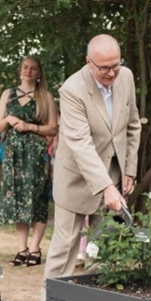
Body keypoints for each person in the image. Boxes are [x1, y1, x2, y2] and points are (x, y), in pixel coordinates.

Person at [43, 34, 141, 282]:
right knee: (64, 249)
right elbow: (81, 144)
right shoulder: (72, 89)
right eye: (105, 68)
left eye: (115, 65)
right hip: (75, 179)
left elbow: (132, 126)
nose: (111, 73)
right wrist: (106, 186)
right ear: (89, 62)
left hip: (114, 175)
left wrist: (129, 170)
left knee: (102, 251)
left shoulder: (126, 77)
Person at [0, 55, 59, 266]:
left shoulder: (45, 96)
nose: (28, 71)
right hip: (13, 153)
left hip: (36, 153)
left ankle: (35, 248)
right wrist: (8, 119)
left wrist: (30, 126)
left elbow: (53, 128)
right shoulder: (8, 94)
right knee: (17, 197)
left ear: (39, 73)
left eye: (33, 68)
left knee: (37, 196)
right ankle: (21, 248)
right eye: (25, 67)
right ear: (19, 70)